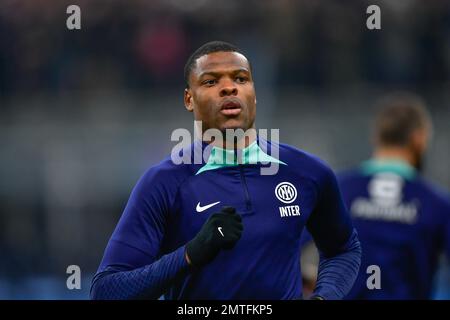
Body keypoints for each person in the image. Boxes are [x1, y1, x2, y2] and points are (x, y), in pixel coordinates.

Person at [90, 41, 361, 300]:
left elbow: (343, 249)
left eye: (240, 79)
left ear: (254, 94)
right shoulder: (163, 183)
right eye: (211, 81)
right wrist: (190, 255)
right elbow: (107, 290)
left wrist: (324, 296)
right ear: (189, 99)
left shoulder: (307, 173)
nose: (229, 88)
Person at [336, 93, 450, 299]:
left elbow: (291, 247)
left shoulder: (338, 189)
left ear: (376, 137)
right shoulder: (436, 204)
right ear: (419, 139)